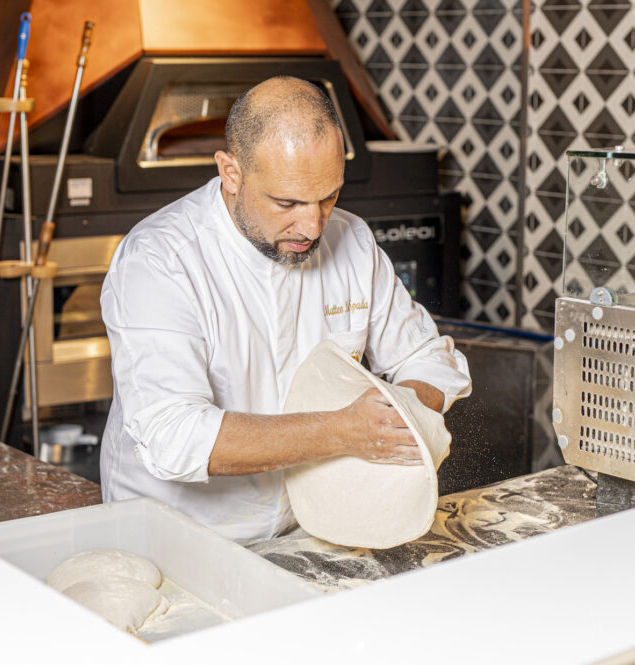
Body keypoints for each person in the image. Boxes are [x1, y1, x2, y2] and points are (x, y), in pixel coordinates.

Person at [100, 76, 472, 544]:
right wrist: (346, 431)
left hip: (308, 533)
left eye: (329, 196)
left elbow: (427, 358)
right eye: (287, 202)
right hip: (179, 538)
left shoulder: (351, 241)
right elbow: (176, 435)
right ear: (230, 173)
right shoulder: (160, 260)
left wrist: (399, 414)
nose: (313, 226)